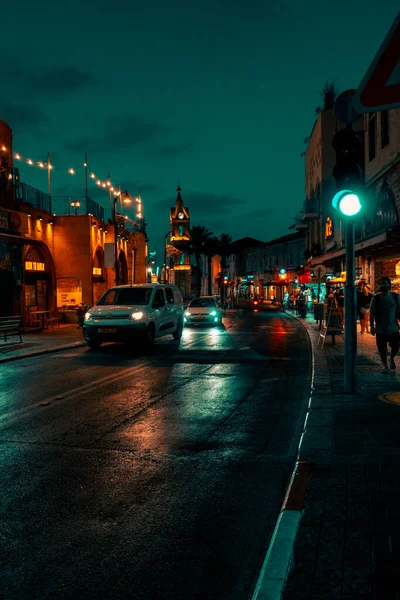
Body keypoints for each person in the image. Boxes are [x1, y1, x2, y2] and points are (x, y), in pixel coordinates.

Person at [370, 277, 400, 372]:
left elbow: (399, 312)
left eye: (385, 283)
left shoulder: (395, 297)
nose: (383, 285)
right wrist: (372, 327)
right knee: (382, 349)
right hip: (380, 328)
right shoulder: (376, 298)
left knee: (396, 346)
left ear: (389, 285)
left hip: (393, 327)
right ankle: (385, 366)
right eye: (381, 283)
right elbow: (372, 313)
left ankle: (391, 358)